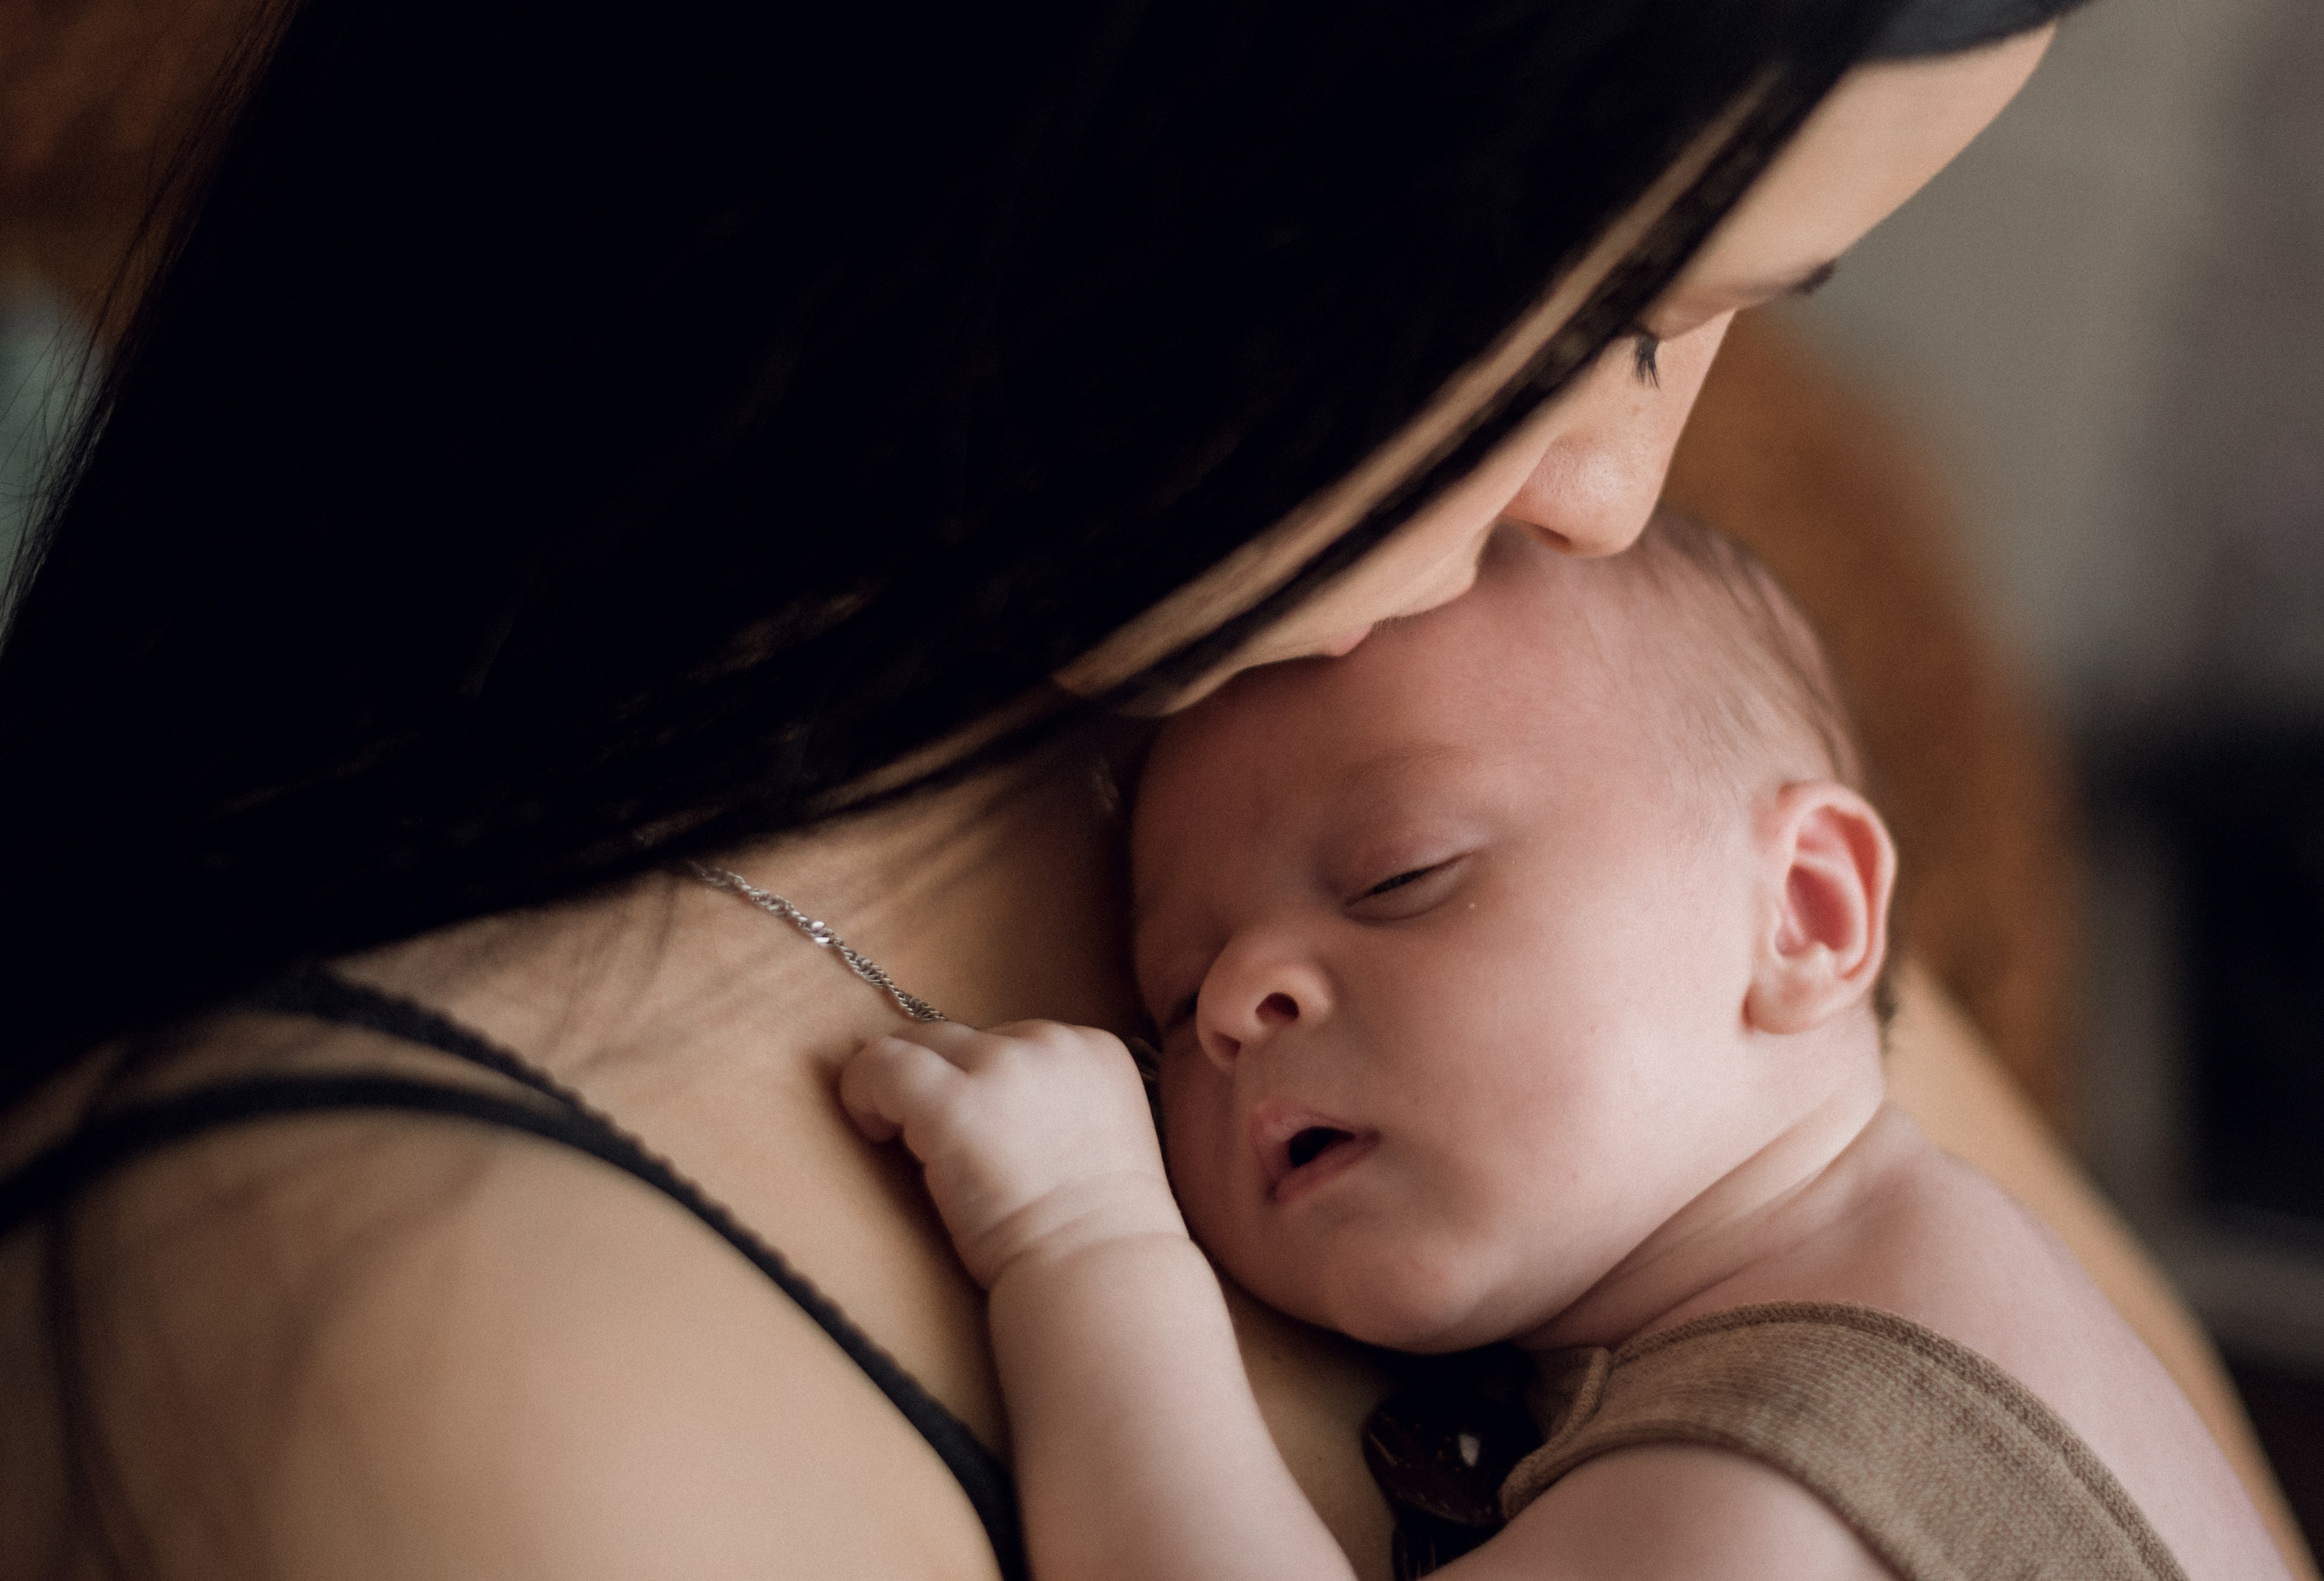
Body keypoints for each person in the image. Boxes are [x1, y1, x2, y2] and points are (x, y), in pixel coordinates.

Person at [0, 3, 2113, 1577]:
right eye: (1612, 307)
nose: (1610, 497)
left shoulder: (1572, 759)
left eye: (1716, 312)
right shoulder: (425, 1325)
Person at [842, 516, 2291, 1580]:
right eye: (1173, 995)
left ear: (1803, 912)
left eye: (1400, 877)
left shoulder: (1770, 1483)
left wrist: (1087, 1248)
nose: (1238, 1004)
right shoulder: (1937, 1274)